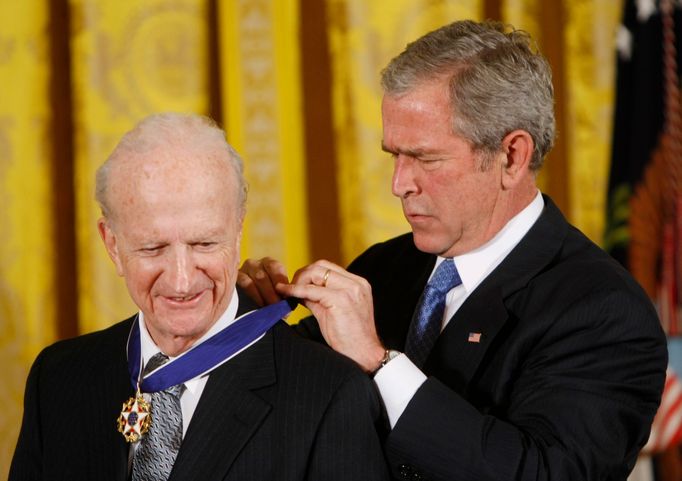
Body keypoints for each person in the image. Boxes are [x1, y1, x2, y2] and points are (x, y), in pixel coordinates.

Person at [238, 20, 668, 481]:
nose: (399, 184)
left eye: (425, 158)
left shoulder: (603, 310)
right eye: (393, 156)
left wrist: (379, 363)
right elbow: (279, 400)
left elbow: (545, 474)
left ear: (512, 157)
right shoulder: (384, 269)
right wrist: (245, 318)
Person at [9, 113, 389, 481]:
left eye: (204, 243)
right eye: (152, 248)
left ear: (238, 231)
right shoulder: (58, 378)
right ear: (111, 243)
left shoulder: (328, 394)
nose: (181, 280)